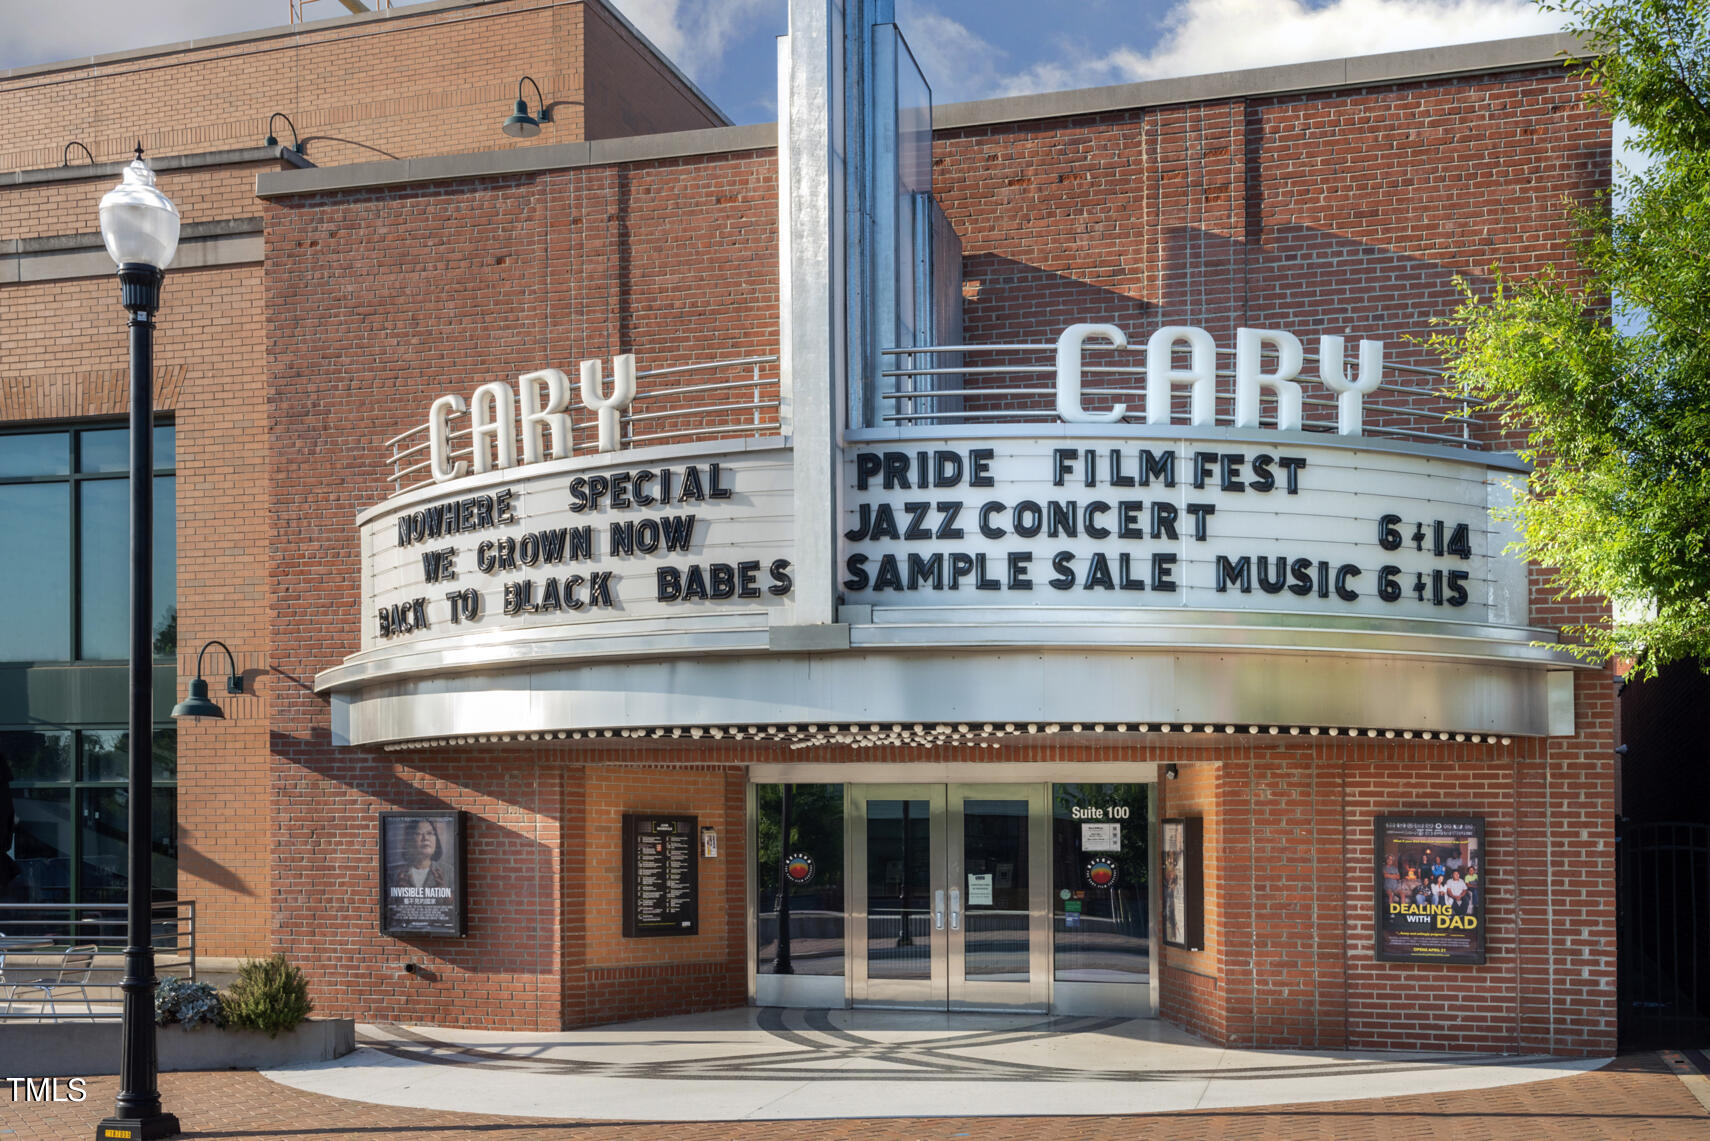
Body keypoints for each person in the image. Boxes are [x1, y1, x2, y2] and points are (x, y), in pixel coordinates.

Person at [391, 818, 448, 891]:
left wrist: (446, 895)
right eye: (418, 833)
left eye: (430, 833)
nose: (425, 838)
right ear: (410, 840)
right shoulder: (396, 874)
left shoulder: (449, 872)